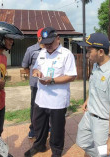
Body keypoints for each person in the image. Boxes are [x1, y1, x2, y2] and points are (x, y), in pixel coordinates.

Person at [24, 27, 77, 157]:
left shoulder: (66, 54)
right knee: (38, 123)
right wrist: (36, 72)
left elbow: (71, 76)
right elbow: (35, 68)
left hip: (58, 99)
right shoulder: (42, 52)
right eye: (45, 43)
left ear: (58, 39)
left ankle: (56, 151)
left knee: (57, 128)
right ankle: (39, 145)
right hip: (41, 97)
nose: (47, 45)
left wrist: (52, 80)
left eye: (50, 43)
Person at [76, 33, 110, 157]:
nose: (86, 55)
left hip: (102, 122)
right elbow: (94, 86)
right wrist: (88, 99)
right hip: (89, 116)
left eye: (89, 51)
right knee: (82, 141)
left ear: (101, 52)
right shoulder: (96, 66)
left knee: (104, 153)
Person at [22, 28, 44, 138]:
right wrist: (32, 77)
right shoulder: (31, 50)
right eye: (43, 38)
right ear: (39, 38)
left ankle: (46, 126)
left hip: (48, 85)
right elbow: (25, 66)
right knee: (35, 107)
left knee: (47, 106)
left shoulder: (51, 50)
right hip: (36, 85)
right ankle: (33, 129)